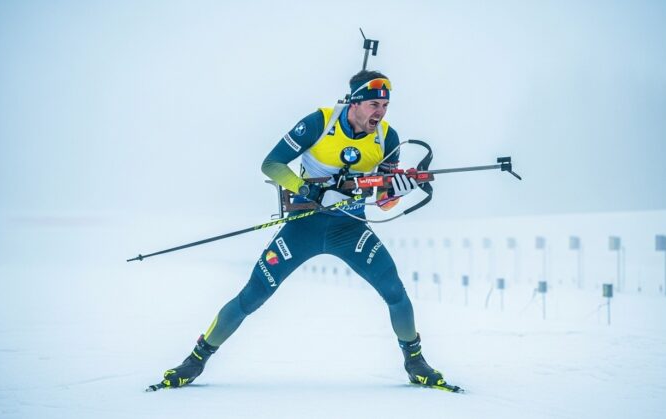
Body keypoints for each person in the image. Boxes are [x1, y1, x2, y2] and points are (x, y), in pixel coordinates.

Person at [156, 70, 456, 391]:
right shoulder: (320, 122)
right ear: (354, 103)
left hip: (351, 229)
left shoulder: (387, 137)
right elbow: (271, 165)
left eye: (384, 105)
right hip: (304, 226)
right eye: (372, 104)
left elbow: (383, 203)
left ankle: (415, 362)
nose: (379, 112)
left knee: (395, 293)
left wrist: (401, 189)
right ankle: (195, 360)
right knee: (252, 296)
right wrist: (310, 192)